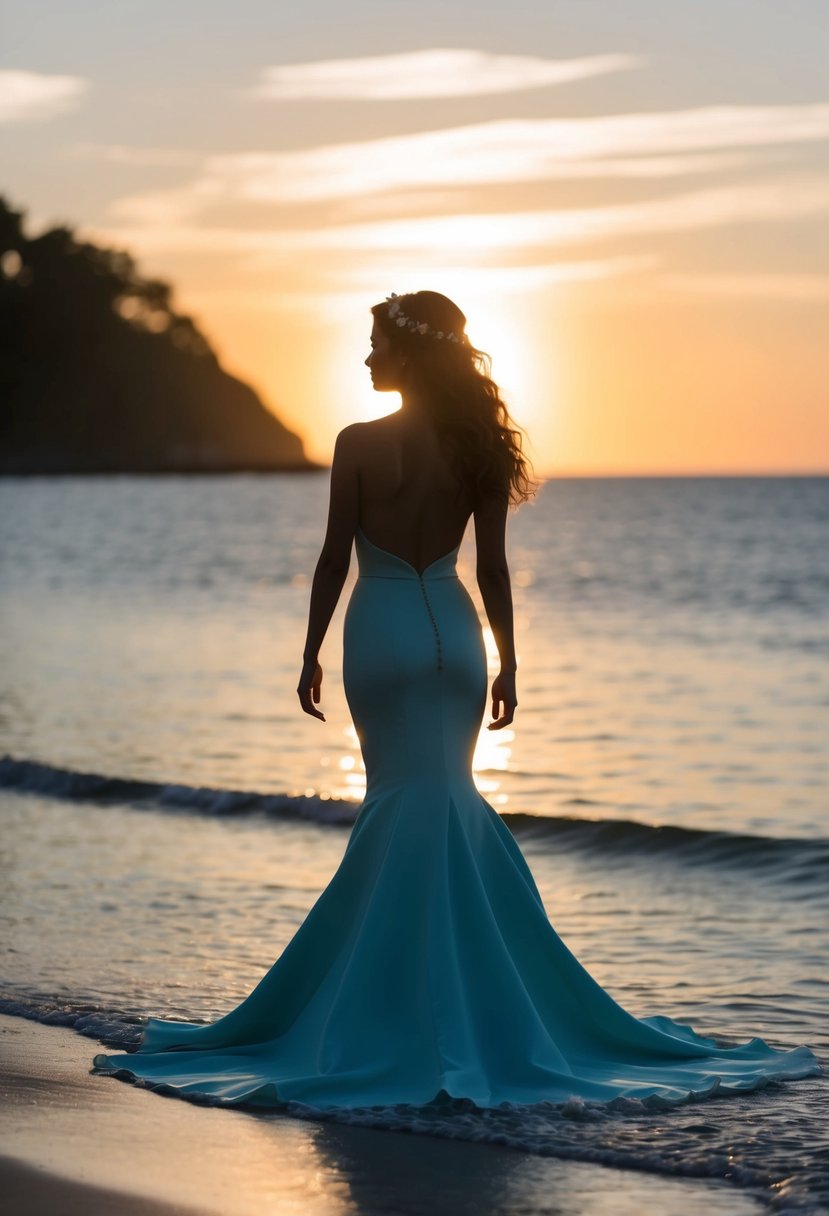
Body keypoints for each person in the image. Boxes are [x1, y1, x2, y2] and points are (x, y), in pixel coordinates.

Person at [92, 291, 820, 1110]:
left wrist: (308, 651)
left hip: (381, 631)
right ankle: (475, 1001)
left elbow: (335, 557)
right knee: (445, 797)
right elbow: (495, 570)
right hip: (456, 637)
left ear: (409, 355)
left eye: (376, 344)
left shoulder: (358, 443)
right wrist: (509, 662)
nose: (367, 358)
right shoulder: (474, 447)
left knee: (402, 802)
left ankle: (395, 1009)